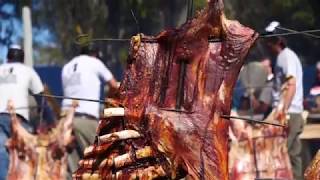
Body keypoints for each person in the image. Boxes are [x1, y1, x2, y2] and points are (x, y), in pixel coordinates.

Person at [62, 44, 119, 172]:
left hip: (64, 119)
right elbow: (114, 85)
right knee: (99, 163)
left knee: (72, 169)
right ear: (94, 54)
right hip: (85, 119)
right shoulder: (95, 62)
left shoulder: (67, 67)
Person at [0, 45, 51, 179]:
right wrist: (50, 121)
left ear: (8, 58)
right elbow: (42, 100)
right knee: (28, 156)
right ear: (22, 59)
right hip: (19, 119)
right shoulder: (28, 71)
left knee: (2, 155)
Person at [266, 37, 304, 180]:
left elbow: (291, 84)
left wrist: (283, 112)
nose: (267, 45)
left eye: (270, 41)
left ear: (278, 42)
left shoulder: (285, 56)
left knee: (279, 154)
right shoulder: (286, 56)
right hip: (293, 112)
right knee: (293, 154)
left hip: (289, 112)